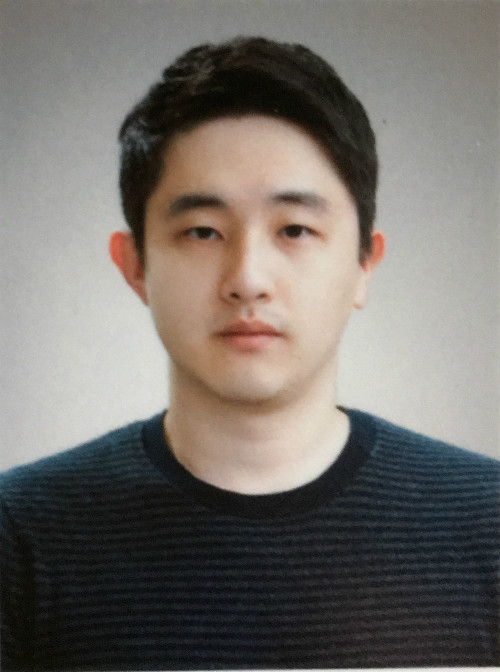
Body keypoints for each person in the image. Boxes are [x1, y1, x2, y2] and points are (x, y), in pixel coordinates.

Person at [1, 36, 498, 670]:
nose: (248, 279)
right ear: (134, 266)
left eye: (295, 229)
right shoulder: (20, 534)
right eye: (203, 231)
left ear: (364, 264)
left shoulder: (489, 522)